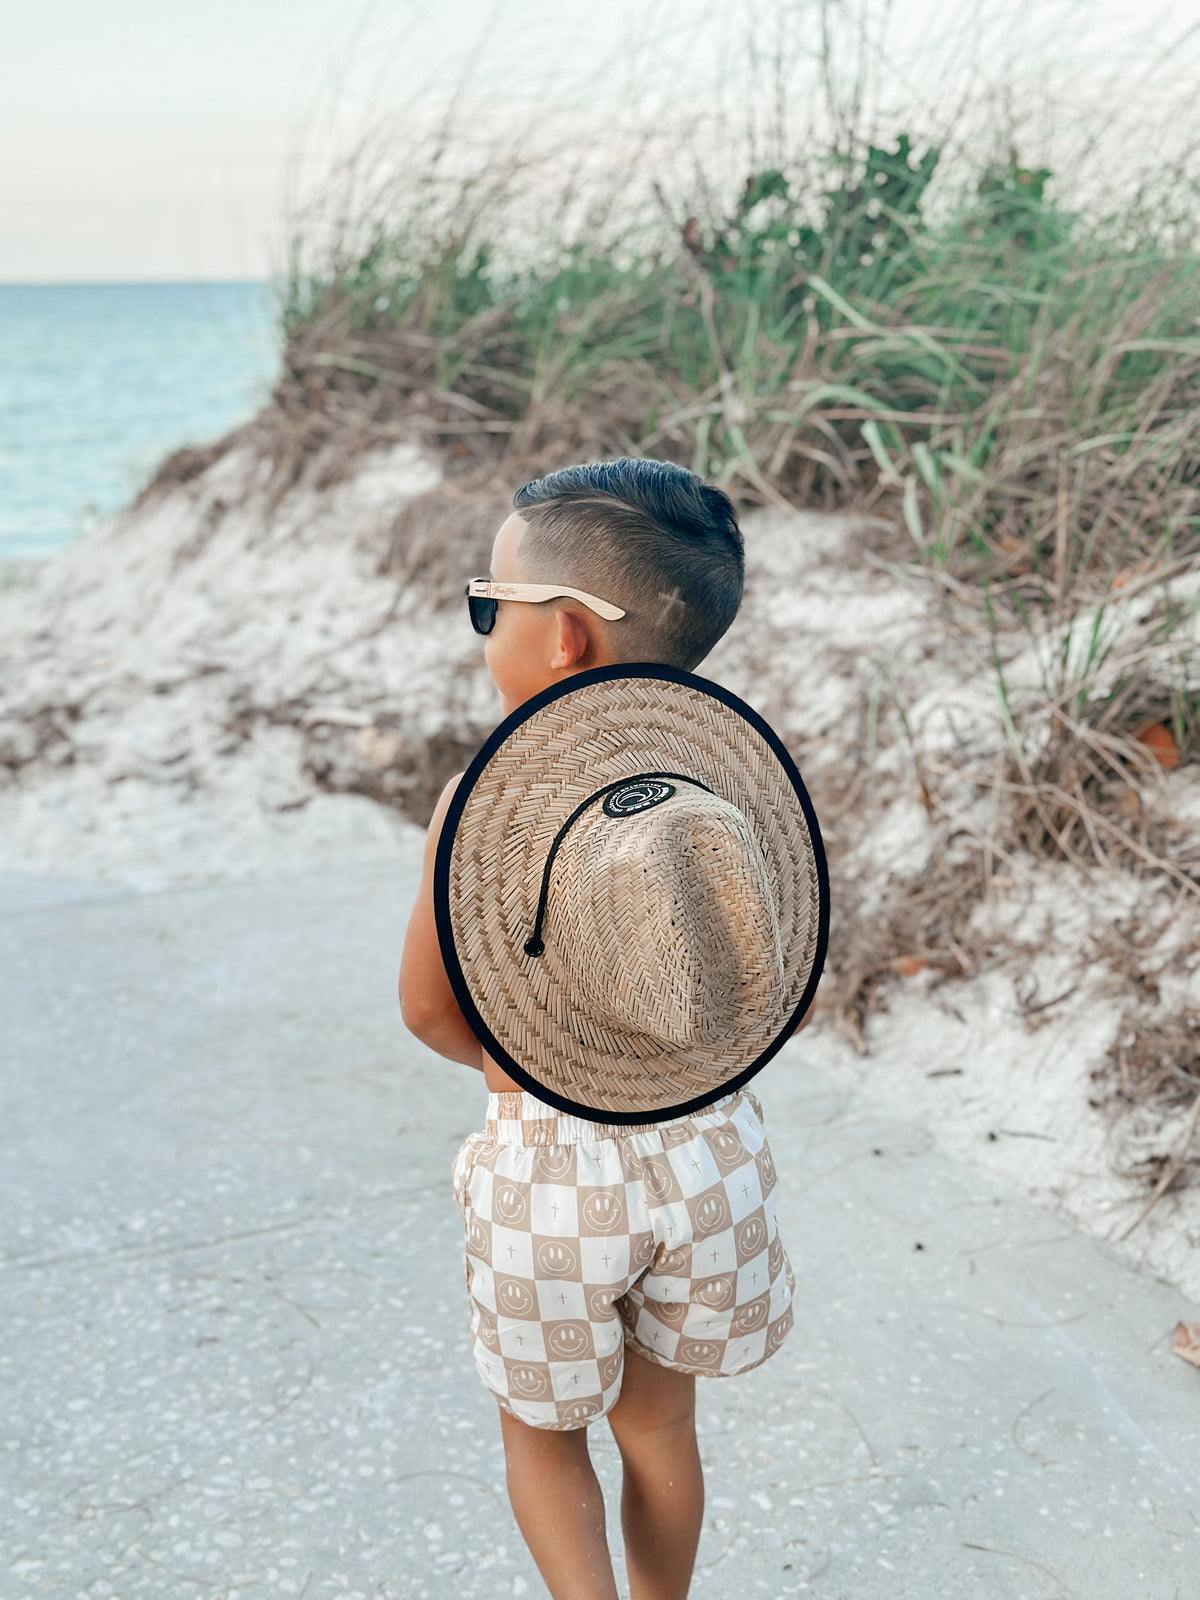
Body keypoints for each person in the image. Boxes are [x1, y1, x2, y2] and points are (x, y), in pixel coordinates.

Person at [399, 458, 820, 1600]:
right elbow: (762, 980)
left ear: (567, 636)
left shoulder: (481, 804)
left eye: (491, 604)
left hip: (549, 1171)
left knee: (541, 1434)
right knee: (661, 1427)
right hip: (707, 1156)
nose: (483, 627)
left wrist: (523, 1066)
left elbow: (429, 1009)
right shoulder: (734, 793)